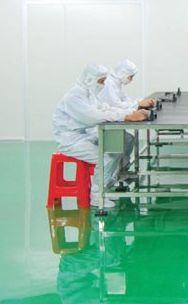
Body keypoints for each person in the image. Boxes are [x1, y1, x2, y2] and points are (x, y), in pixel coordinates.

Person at [52, 62, 149, 208]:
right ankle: (97, 197)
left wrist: (129, 112)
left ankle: (111, 180)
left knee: (118, 145)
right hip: (71, 140)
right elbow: (93, 117)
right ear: (90, 79)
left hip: (84, 135)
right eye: (101, 81)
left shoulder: (89, 94)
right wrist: (126, 116)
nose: (103, 84)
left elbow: (104, 108)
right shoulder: (74, 96)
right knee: (106, 158)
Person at [97, 59, 155, 171]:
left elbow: (125, 100)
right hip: (101, 125)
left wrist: (138, 104)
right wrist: (137, 106)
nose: (131, 80)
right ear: (123, 73)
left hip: (110, 119)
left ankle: (123, 169)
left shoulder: (116, 83)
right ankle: (115, 174)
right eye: (130, 77)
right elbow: (115, 105)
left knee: (129, 139)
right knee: (124, 141)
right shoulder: (109, 84)